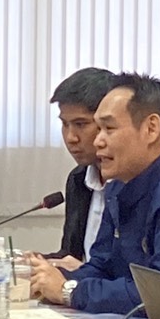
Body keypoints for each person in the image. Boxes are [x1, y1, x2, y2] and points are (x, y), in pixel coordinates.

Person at [29, 73, 160, 314]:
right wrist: (48, 279)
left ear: (151, 129)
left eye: (108, 128)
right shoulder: (119, 186)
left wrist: (70, 291)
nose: (98, 141)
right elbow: (101, 267)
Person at [45, 67, 119, 269]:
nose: (71, 137)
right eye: (65, 124)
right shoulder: (78, 179)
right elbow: (72, 256)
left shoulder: (132, 182)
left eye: (80, 124)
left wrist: (81, 274)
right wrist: (36, 262)